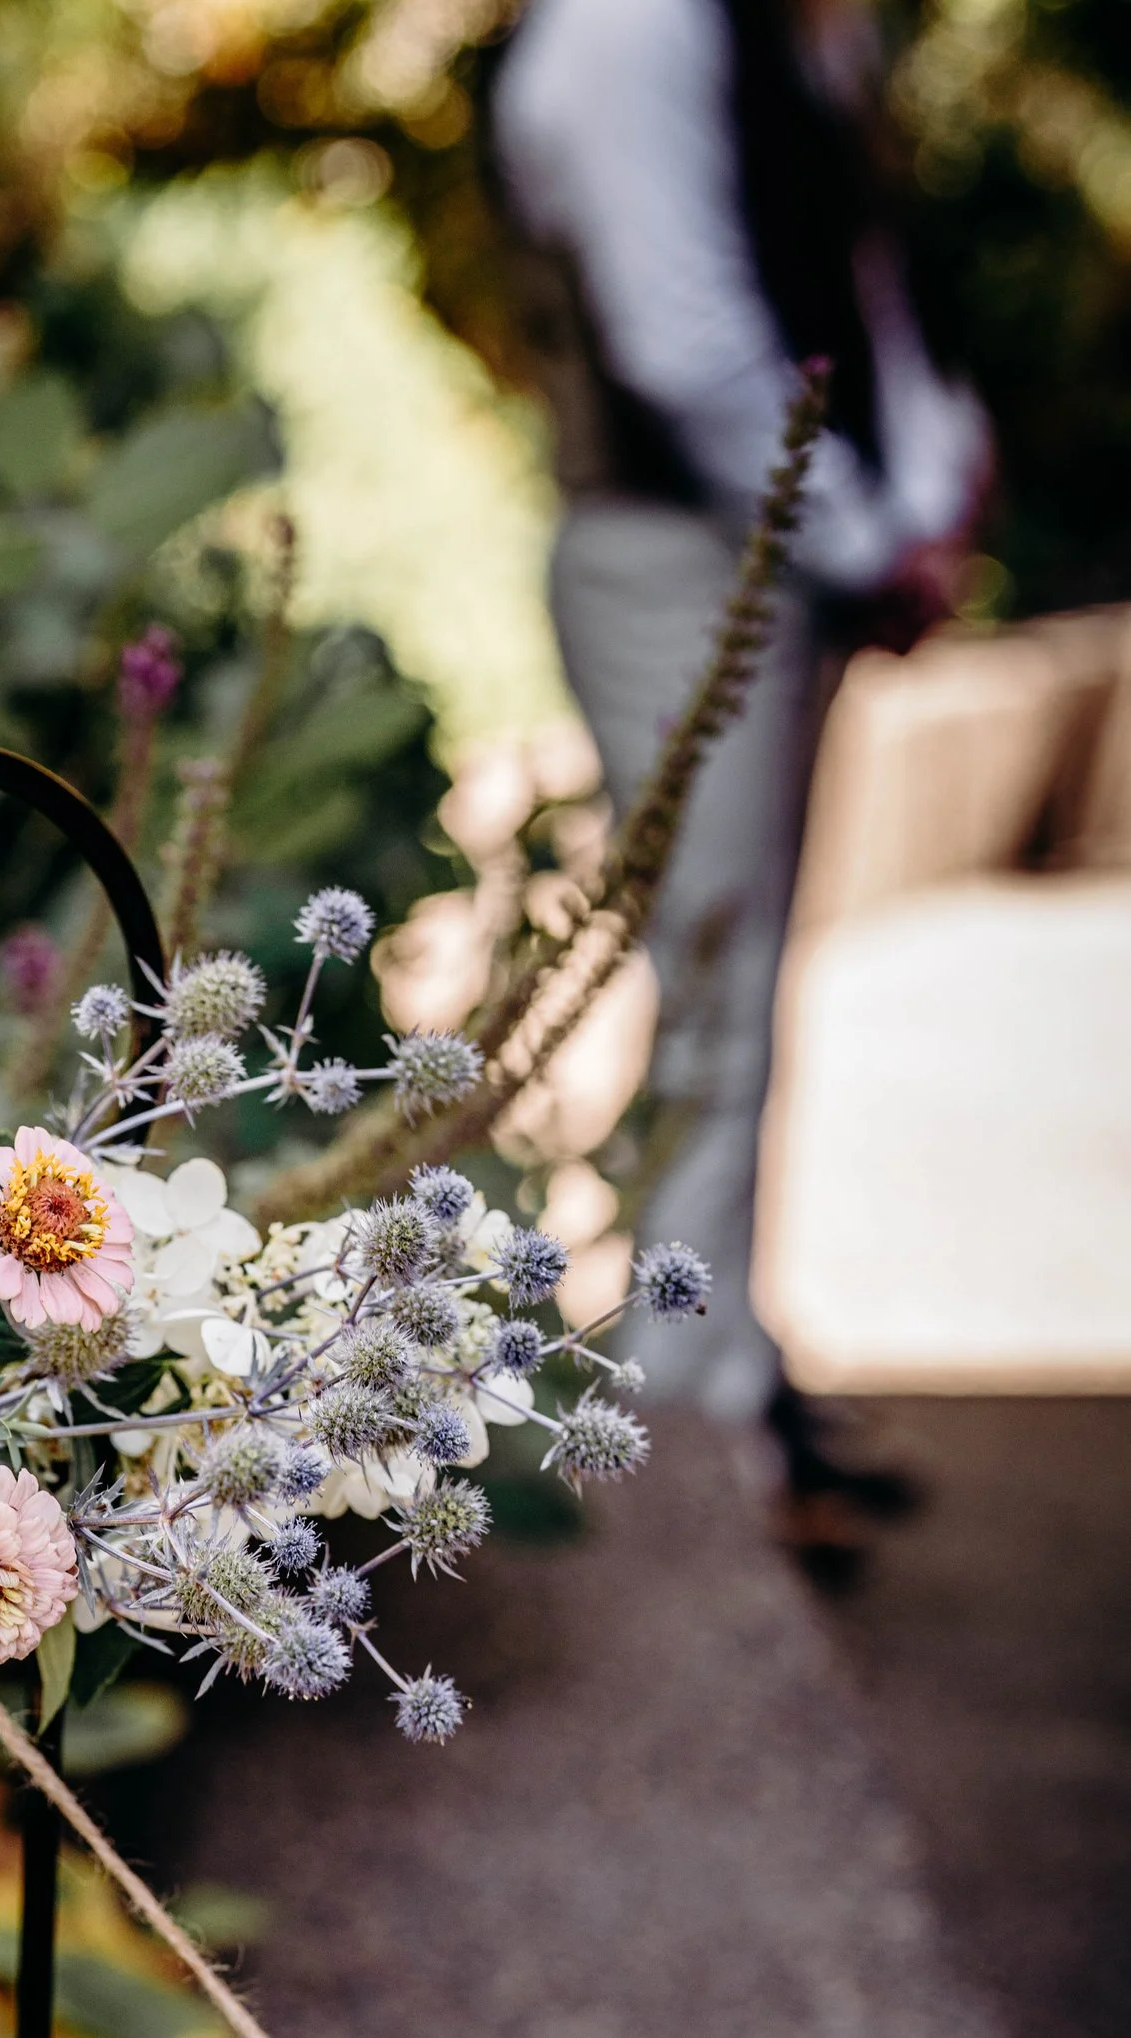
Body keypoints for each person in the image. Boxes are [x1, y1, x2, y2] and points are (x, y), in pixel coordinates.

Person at [491, 0, 990, 1540]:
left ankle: (731, 1368)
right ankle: (691, 1449)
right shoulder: (636, 29)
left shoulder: (768, 34)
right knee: (716, 982)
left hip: (755, 551)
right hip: (682, 556)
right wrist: (861, 529)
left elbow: (853, 291)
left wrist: (916, 495)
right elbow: (685, 329)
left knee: (744, 984)